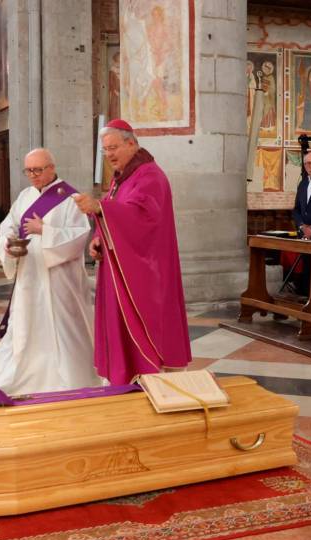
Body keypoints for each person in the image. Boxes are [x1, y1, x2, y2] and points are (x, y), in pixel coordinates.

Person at [73, 119, 191, 384]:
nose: (109, 155)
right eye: (105, 150)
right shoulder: (123, 177)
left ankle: (145, 373)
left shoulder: (149, 175)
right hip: (122, 268)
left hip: (146, 272)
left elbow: (142, 215)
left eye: (113, 147)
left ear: (131, 143)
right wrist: (99, 238)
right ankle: (125, 374)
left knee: (143, 324)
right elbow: (116, 209)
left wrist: (99, 208)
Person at [0, 148, 100, 394]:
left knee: (62, 326)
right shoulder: (24, 196)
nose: (33, 175)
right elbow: (8, 226)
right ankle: (22, 373)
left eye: (38, 170)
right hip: (29, 275)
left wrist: (46, 230)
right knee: (25, 323)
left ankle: (70, 377)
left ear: (52, 168)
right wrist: (9, 245)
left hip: (59, 280)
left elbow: (79, 236)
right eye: (29, 170)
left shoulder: (70, 198)